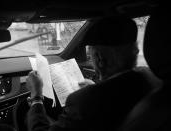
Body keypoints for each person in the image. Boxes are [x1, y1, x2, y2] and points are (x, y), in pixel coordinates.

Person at [26, 17, 158, 131]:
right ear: (135, 49)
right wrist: (97, 87)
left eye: (90, 53)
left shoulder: (84, 101)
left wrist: (36, 97)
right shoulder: (151, 78)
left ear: (99, 58)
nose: (90, 57)